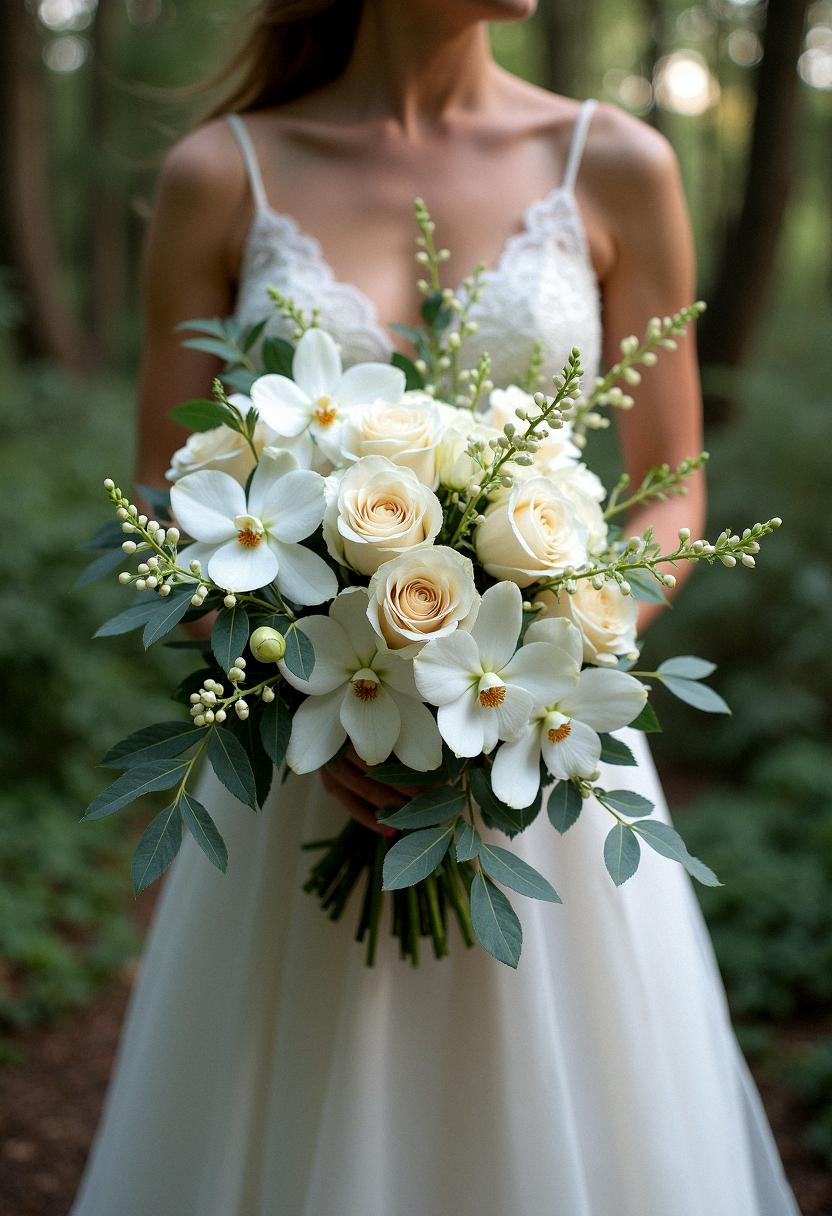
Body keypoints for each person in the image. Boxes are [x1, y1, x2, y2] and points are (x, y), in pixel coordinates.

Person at [71, 2, 801, 1213]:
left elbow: (675, 491)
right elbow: (168, 499)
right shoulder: (221, 174)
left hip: (543, 759)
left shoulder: (616, 162)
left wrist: (560, 653)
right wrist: (309, 691)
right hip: (311, 766)